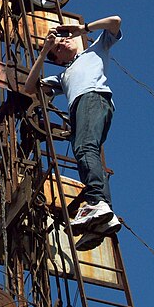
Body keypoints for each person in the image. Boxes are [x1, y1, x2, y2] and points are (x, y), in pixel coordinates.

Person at [24, 16, 122, 251]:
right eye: (57, 48)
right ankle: (102, 220)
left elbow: (115, 21)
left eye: (64, 40)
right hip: (80, 106)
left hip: (92, 98)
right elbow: (30, 87)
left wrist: (83, 28)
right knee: (87, 154)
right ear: (57, 59)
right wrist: (43, 51)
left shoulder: (96, 50)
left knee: (84, 148)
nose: (62, 44)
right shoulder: (63, 75)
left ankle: (96, 201)